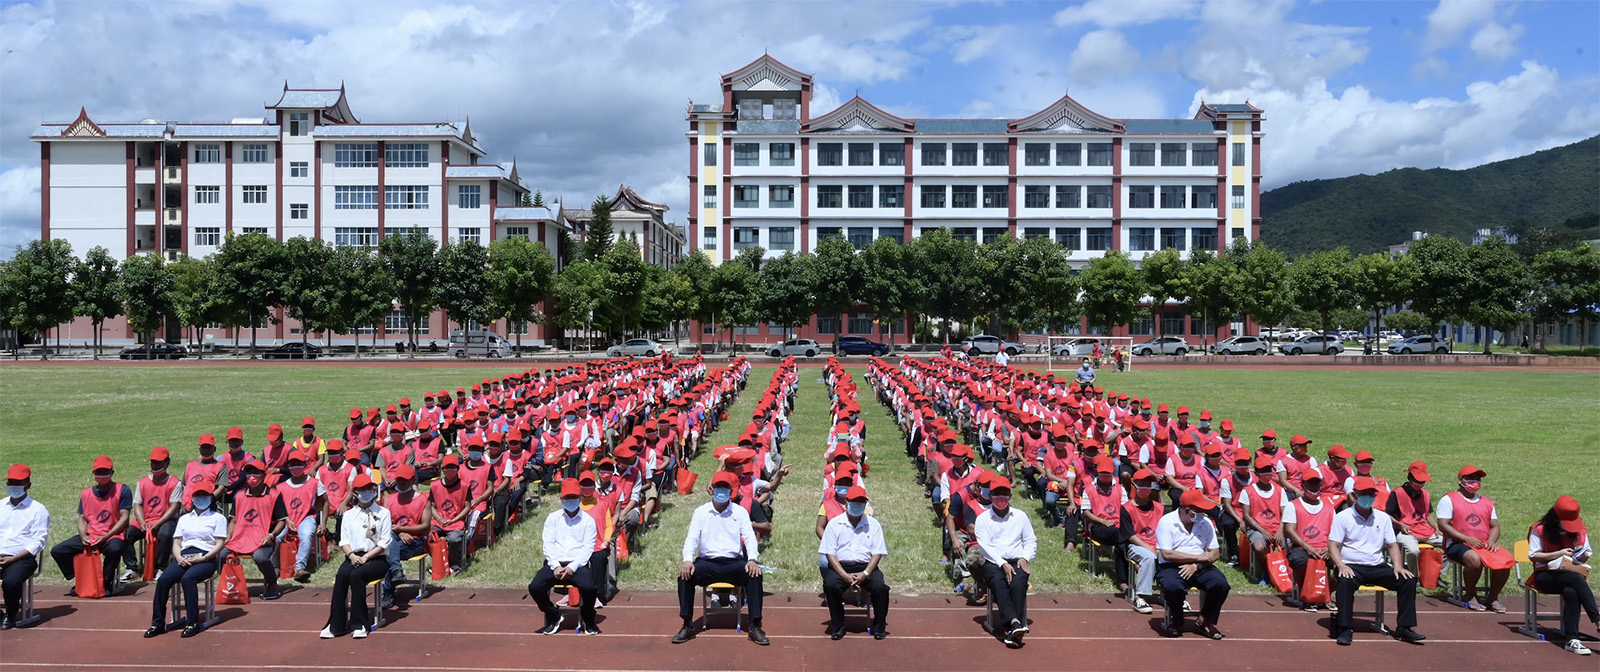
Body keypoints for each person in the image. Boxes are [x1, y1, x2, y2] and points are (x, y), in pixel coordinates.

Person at [672, 471, 767, 646]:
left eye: (725, 487)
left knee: (755, 575)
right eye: (718, 487)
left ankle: (755, 626)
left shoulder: (740, 512)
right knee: (684, 576)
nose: (721, 490)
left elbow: (750, 537)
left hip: (734, 562)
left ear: (731, 490)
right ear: (711, 489)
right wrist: (687, 560)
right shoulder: (700, 512)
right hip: (707, 562)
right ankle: (687, 625)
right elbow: (692, 538)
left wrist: (752, 559)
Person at [1327, 477, 1425, 646]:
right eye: (1364, 493)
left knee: (1408, 580)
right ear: (1355, 495)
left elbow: (1392, 545)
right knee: (1344, 581)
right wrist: (1341, 565)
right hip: (1351, 566)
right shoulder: (1343, 517)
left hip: (1377, 565)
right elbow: (1333, 545)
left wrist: (1398, 566)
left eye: (1372, 493)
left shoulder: (1383, 518)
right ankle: (1345, 628)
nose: (1369, 497)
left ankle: (1404, 628)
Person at [144, 481, 227, 638]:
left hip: (205, 558)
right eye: (197, 495)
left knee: (188, 578)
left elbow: (220, 543)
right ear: (193, 498)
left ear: (211, 497)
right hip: (184, 555)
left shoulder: (218, 518)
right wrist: (179, 557)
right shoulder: (184, 519)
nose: (200, 498)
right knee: (164, 580)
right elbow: (177, 542)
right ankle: (157, 623)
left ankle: (192, 622)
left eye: (204, 495)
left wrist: (204, 557)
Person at [51, 456, 132, 597]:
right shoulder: (86, 494)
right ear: (93, 474)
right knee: (59, 550)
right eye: (99, 472)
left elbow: (124, 518)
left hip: (112, 535)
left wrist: (106, 536)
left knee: (115, 548)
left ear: (112, 472)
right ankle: (83, 579)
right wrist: (83, 536)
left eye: (105, 471)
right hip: (92, 534)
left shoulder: (123, 490)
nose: (102, 475)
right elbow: (82, 518)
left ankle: (105, 584)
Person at [320, 474, 389, 639]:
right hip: (353, 555)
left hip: (376, 558)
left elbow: (384, 542)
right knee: (342, 575)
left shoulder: (384, 512)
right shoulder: (349, 515)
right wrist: (351, 555)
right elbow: (344, 540)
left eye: (369, 489)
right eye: (362, 489)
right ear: (355, 493)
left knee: (357, 576)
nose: (367, 492)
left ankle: (359, 623)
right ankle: (336, 624)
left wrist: (366, 557)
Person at [1526, 496, 1597, 655]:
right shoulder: (1539, 529)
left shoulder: (1581, 531)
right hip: (1544, 576)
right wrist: (1558, 554)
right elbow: (1533, 556)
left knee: (1571, 591)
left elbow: (1585, 553)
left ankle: (1572, 639)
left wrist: (1582, 555)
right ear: (1555, 518)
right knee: (1577, 579)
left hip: (1570, 575)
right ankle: (1598, 621)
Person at [528, 479, 600, 636]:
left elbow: (587, 549)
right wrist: (555, 566)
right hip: (555, 562)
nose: (570, 501)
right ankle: (554, 615)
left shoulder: (588, 521)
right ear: (561, 499)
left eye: (574, 497)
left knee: (589, 588)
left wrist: (572, 567)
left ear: (580, 497)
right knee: (535, 587)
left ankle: (588, 619)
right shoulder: (553, 518)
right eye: (567, 498)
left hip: (578, 564)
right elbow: (548, 544)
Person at [1155, 489, 1230, 639]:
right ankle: (1176, 620)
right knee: (1173, 587)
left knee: (1221, 584)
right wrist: (1199, 557)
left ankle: (1205, 620)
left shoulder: (1206, 522)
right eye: (1200, 510)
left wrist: (1196, 565)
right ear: (1188, 510)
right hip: (1171, 565)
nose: (1203, 513)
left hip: (1200, 566)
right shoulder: (1167, 522)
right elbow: (1168, 554)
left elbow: (1215, 553)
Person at [818, 485, 889, 640]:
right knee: (831, 585)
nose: (857, 505)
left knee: (880, 588)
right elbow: (830, 553)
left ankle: (879, 627)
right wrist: (844, 576)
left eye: (861, 502)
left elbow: (877, 553)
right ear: (846, 503)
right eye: (854, 501)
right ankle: (838, 626)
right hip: (840, 567)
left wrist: (865, 574)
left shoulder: (874, 524)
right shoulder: (834, 524)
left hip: (866, 567)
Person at [1436, 465, 1510, 613]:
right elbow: (1443, 525)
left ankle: (1493, 597)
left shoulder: (1487, 503)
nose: (1475, 482)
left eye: (1478, 479)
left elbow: (1495, 526)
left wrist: (1492, 540)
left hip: (1483, 544)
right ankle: (1470, 594)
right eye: (1470, 479)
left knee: (1506, 561)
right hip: (1457, 544)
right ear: (1460, 480)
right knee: (1474, 559)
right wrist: (1466, 538)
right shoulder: (1449, 499)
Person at [974, 477, 1035, 648]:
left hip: (1017, 559)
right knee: (999, 583)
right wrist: (1002, 564)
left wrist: (1025, 557)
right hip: (993, 561)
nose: (1000, 498)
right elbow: (985, 547)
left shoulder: (1021, 516)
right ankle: (1015, 623)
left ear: (1010, 495)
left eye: (1004, 494)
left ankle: (1012, 628)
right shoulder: (983, 519)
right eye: (996, 494)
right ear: (990, 495)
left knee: (1018, 583)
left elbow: (1030, 540)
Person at [224, 460, 286, 600]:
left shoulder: (274, 495)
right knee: (221, 554)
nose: (252, 477)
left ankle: (272, 583)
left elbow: (282, 521)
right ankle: (233, 584)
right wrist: (229, 535)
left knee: (261, 557)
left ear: (263, 475)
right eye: (249, 473)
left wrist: (271, 535)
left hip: (262, 539)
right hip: (240, 538)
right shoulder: (239, 495)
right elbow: (233, 519)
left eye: (256, 473)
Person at [1, 465, 49, 630]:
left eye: (18, 482)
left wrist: (12, 559)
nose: (13, 486)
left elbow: (38, 541)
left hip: (22, 558)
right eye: (10, 482)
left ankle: (11, 613)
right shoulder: (1, 506)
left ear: (28, 484)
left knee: (11, 581)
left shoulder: (37, 510)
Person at [126, 447, 182, 583]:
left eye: (159, 462)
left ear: (167, 463)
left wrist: (158, 523)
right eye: (153, 462)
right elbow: (138, 504)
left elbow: (174, 507)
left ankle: (161, 567)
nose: (155, 465)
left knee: (166, 534)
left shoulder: (175, 483)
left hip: (166, 520)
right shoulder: (142, 482)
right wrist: (142, 521)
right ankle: (132, 568)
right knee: (125, 534)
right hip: (146, 519)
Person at [1283, 468, 1334, 611]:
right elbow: (1289, 530)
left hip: (1325, 547)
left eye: (1317, 483)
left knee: (1343, 565)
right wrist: (1307, 547)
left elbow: (1335, 533)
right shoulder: (1293, 505)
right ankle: (1306, 595)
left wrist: (1330, 549)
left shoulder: (1329, 508)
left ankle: (1326, 594)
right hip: (1301, 547)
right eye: (1310, 483)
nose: (1314, 487)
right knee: (1300, 561)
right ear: (1303, 485)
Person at [276, 451, 326, 583]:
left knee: (306, 534)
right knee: (277, 537)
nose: (295, 467)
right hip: (287, 519)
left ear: (305, 465)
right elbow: (278, 509)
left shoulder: (315, 483)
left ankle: (300, 568)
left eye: (298, 464)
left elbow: (325, 502)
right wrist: (286, 519)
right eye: (292, 464)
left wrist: (323, 522)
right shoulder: (281, 486)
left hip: (307, 517)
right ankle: (276, 566)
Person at [1122, 469, 1164, 614]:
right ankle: (1140, 597)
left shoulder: (1159, 508)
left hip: (1157, 544)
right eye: (1142, 484)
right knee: (1149, 557)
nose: (1145, 487)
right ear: (1134, 484)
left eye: (1148, 484)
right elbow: (1130, 535)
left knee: (1173, 555)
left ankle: (1173, 595)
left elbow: (1164, 531)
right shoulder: (1126, 508)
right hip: (1136, 545)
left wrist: (1162, 548)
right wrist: (1149, 548)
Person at [1386, 461, 1442, 565]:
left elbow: (1428, 514)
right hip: (1405, 532)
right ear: (1410, 478)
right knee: (1413, 551)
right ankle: (1414, 577)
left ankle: (1436, 574)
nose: (1420, 484)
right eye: (1418, 481)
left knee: (1449, 545)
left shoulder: (1425, 494)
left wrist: (1435, 527)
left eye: (1423, 482)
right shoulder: (1397, 494)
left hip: (1424, 529)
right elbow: (1387, 515)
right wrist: (1400, 524)